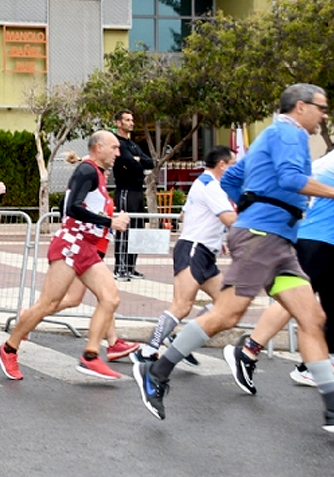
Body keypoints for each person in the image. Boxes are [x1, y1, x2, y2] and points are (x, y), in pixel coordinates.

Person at [133, 84, 334, 432]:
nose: (325, 114)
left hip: (279, 241)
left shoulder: (268, 138)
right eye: (321, 107)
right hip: (262, 237)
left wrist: (248, 209)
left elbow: (234, 179)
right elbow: (290, 179)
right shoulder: (291, 133)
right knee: (228, 313)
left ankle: (332, 409)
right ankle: (157, 370)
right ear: (301, 107)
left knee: (312, 317)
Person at [0, 131, 130, 381]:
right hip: (71, 244)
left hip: (86, 246)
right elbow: (72, 208)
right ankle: (9, 348)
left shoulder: (96, 173)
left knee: (110, 298)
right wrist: (110, 221)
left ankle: (90, 356)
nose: (118, 153)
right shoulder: (87, 170)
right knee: (49, 303)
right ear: (98, 147)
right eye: (114, 147)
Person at [239, 147, 334, 387]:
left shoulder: (323, 162)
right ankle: (248, 351)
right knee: (296, 301)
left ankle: (316, 364)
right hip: (317, 241)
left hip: (323, 241)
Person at [134, 145, 236, 364]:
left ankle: (182, 339)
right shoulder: (210, 185)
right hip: (193, 249)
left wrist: (217, 237)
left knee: (226, 304)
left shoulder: (204, 183)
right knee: (182, 305)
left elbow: (183, 215)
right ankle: (148, 349)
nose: (235, 170)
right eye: (233, 165)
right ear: (222, 165)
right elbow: (229, 218)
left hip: (205, 252)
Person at [112, 109, 153, 280]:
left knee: (138, 229)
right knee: (124, 228)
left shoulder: (134, 145)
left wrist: (138, 160)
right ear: (118, 123)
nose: (131, 123)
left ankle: (130, 267)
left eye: (132, 119)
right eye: (127, 120)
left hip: (138, 191)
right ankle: (120, 268)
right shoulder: (117, 144)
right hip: (125, 190)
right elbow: (128, 162)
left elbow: (149, 162)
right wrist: (135, 162)